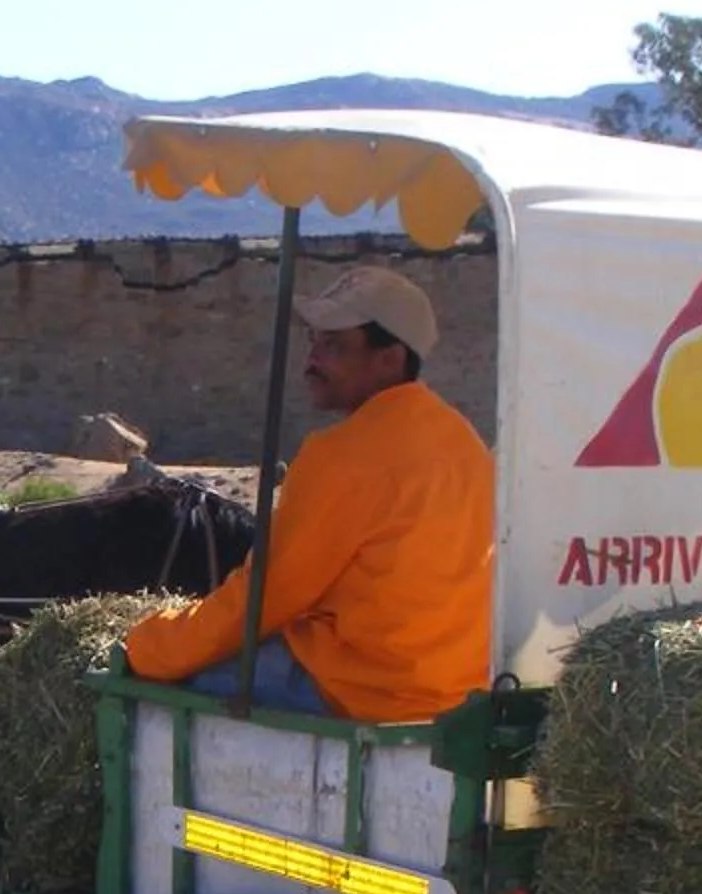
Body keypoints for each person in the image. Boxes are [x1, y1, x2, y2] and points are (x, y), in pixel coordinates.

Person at [123, 262, 493, 722]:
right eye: (313, 341)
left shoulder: (346, 456)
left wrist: (149, 649)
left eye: (334, 346)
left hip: (365, 685)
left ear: (390, 359)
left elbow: (267, 595)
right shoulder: (465, 441)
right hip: (455, 684)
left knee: (153, 691)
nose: (312, 360)